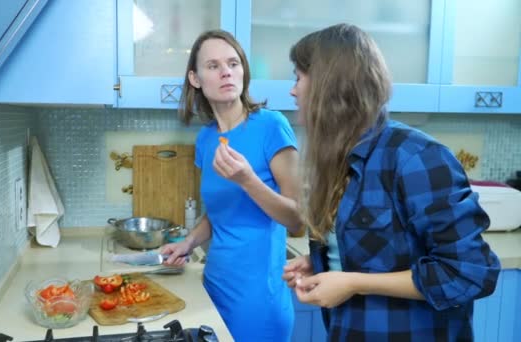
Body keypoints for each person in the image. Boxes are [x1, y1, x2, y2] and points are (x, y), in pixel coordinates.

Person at [282, 23, 501, 341]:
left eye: (298, 77)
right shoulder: (340, 161)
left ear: (329, 85)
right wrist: (324, 260)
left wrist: (354, 282)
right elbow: (374, 251)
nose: (293, 90)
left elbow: (470, 272)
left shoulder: (415, 157)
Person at [161, 29, 303, 341]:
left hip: (258, 300)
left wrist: (248, 180)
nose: (226, 71)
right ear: (195, 79)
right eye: (213, 66)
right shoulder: (206, 139)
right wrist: (188, 243)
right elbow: (218, 211)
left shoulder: (271, 126)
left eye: (233, 63)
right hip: (213, 288)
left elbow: (297, 220)